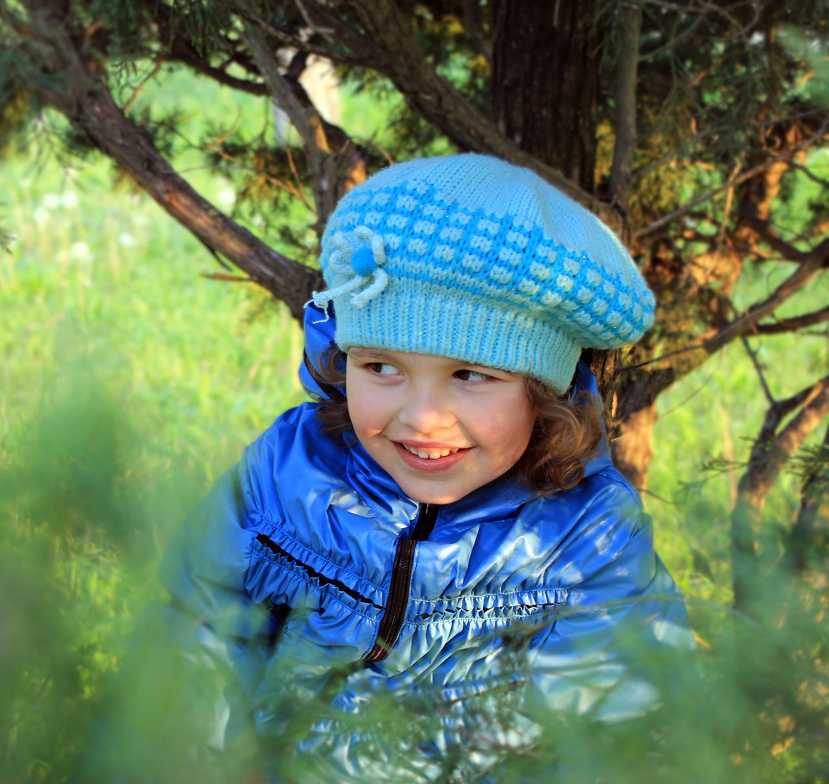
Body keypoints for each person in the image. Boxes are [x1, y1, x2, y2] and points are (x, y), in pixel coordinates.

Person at [155, 154, 692, 782]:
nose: (423, 418)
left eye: (471, 375)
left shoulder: (586, 540)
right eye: (382, 366)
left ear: (541, 390)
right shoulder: (289, 468)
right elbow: (198, 628)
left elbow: (615, 740)